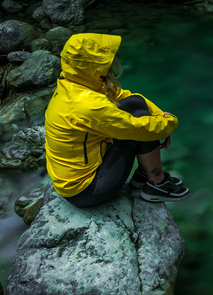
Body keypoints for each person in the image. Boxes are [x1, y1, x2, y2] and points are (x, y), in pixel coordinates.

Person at [44, 33, 189, 205]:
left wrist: (160, 115)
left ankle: (144, 175)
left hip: (77, 174)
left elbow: (127, 97)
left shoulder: (74, 82)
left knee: (134, 104)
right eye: (105, 59)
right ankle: (157, 184)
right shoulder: (87, 104)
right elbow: (138, 128)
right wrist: (170, 123)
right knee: (141, 125)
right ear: (93, 65)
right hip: (86, 190)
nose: (112, 62)